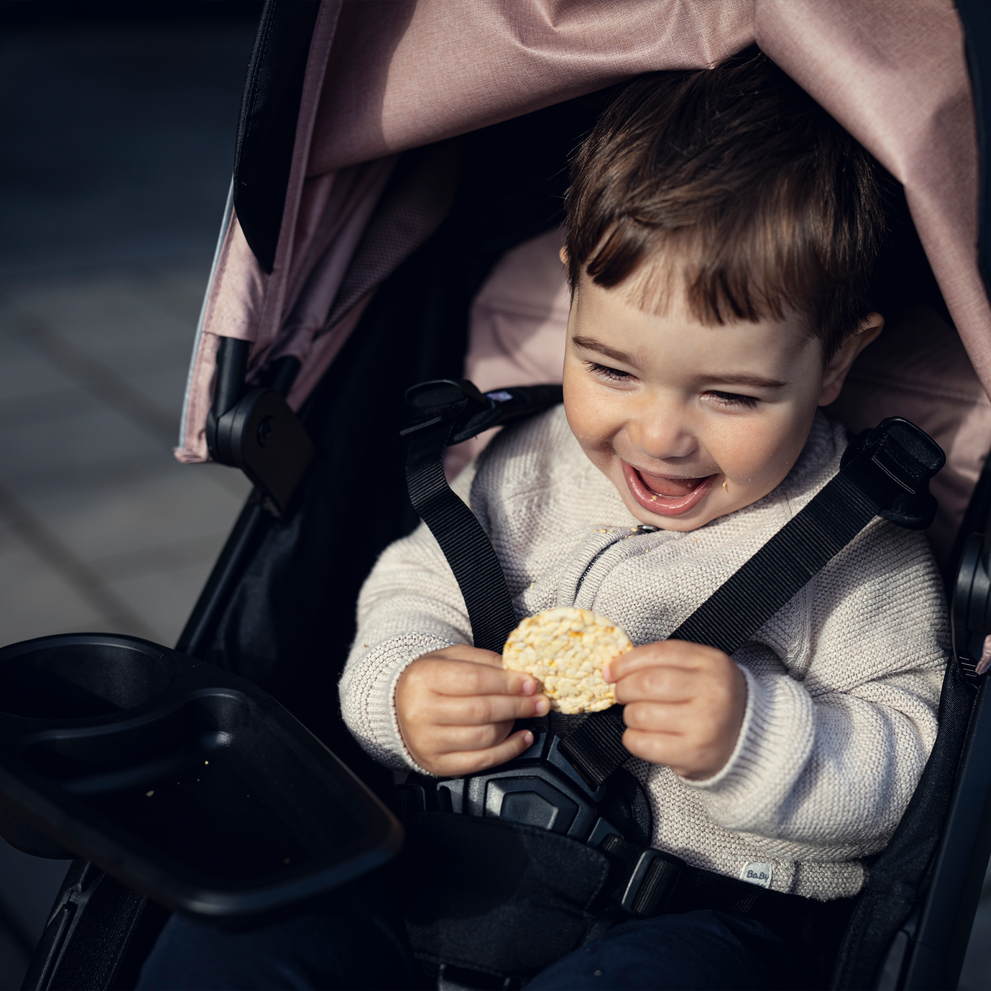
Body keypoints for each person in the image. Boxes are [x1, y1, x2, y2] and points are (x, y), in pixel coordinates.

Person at [139, 51, 948, 991]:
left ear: (836, 364)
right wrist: (404, 693)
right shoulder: (523, 462)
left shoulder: (859, 551)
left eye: (729, 395)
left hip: (693, 912)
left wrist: (753, 733)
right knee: (237, 934)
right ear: (570, 297)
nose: (657, 434)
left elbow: (905, 768)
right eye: (609, 369)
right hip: (439, 864)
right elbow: (411, 591)